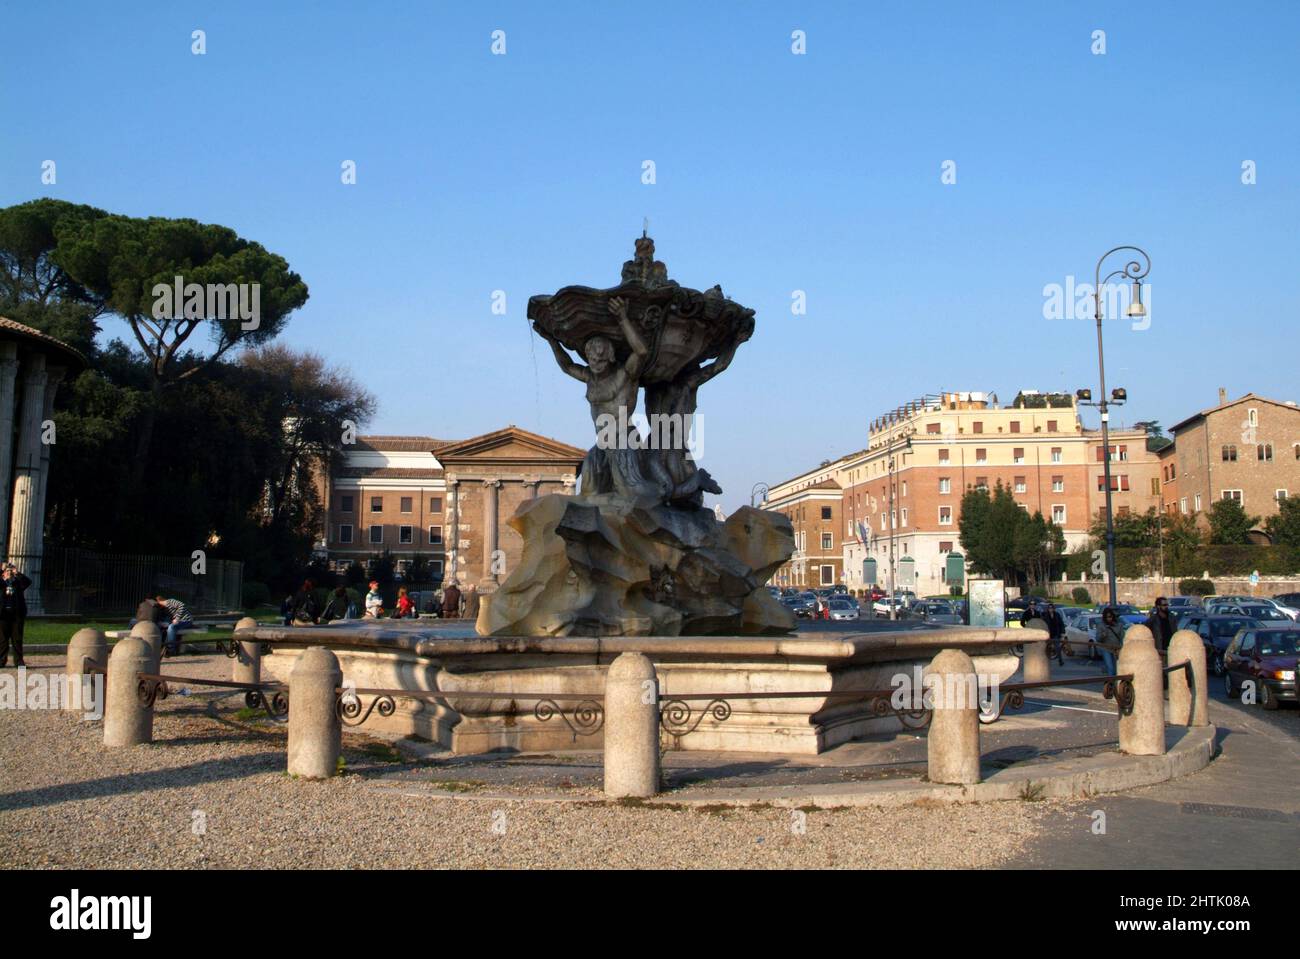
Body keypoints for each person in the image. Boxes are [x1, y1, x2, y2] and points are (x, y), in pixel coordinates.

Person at [0, 563, 32, 667]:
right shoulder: (1, 583)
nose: (9, 572)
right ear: (3, 574)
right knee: (2, 640)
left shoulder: (17, 583)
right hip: (3, 615)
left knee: (17, 639)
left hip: (16, 616)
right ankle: (1, 661)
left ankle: (19, 662)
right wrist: (1, 570)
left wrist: (17, 572)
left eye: (10, 571)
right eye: (7, 571)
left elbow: (28, 582)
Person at [1095, 607, 1125, 675]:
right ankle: (1111, 683)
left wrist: (1120, 648)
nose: (1109, 619)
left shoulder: (1119, 625)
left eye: (1110, 617)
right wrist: (1102, 635)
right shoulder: (1101, 625)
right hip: (1106, 649)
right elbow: (1097, 639)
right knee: (1110, 668)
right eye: (1107, 617)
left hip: (1116, 649)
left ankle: (1114, 682)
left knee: (1116, 669)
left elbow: (1122, 637)